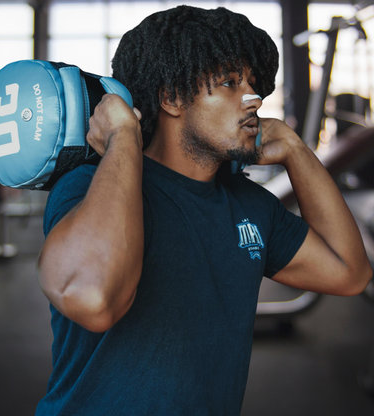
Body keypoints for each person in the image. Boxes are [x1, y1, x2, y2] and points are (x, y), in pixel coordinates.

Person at [35, 5, 372, 415]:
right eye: (230, 82)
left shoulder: (250, 204)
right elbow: (93, 298)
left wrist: (296, 151)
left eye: (252, 83)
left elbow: (350, 273)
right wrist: (123, 136)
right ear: (172, 98)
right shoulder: (88, 186)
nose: (253, 98)